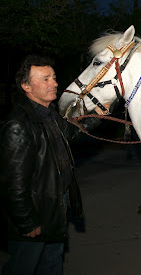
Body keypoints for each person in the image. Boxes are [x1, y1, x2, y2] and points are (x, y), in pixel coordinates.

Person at [0, 55, 102, 274]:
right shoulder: (18, 125)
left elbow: (72, 132)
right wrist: (27, 222)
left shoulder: (50, 116)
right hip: (34, 214)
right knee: (23, 267)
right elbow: (13, 186)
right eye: (45, 79)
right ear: (26, 86)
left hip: (55, 208)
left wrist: (97, 116)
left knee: (52, 264)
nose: (54, 83)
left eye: (54, 78)